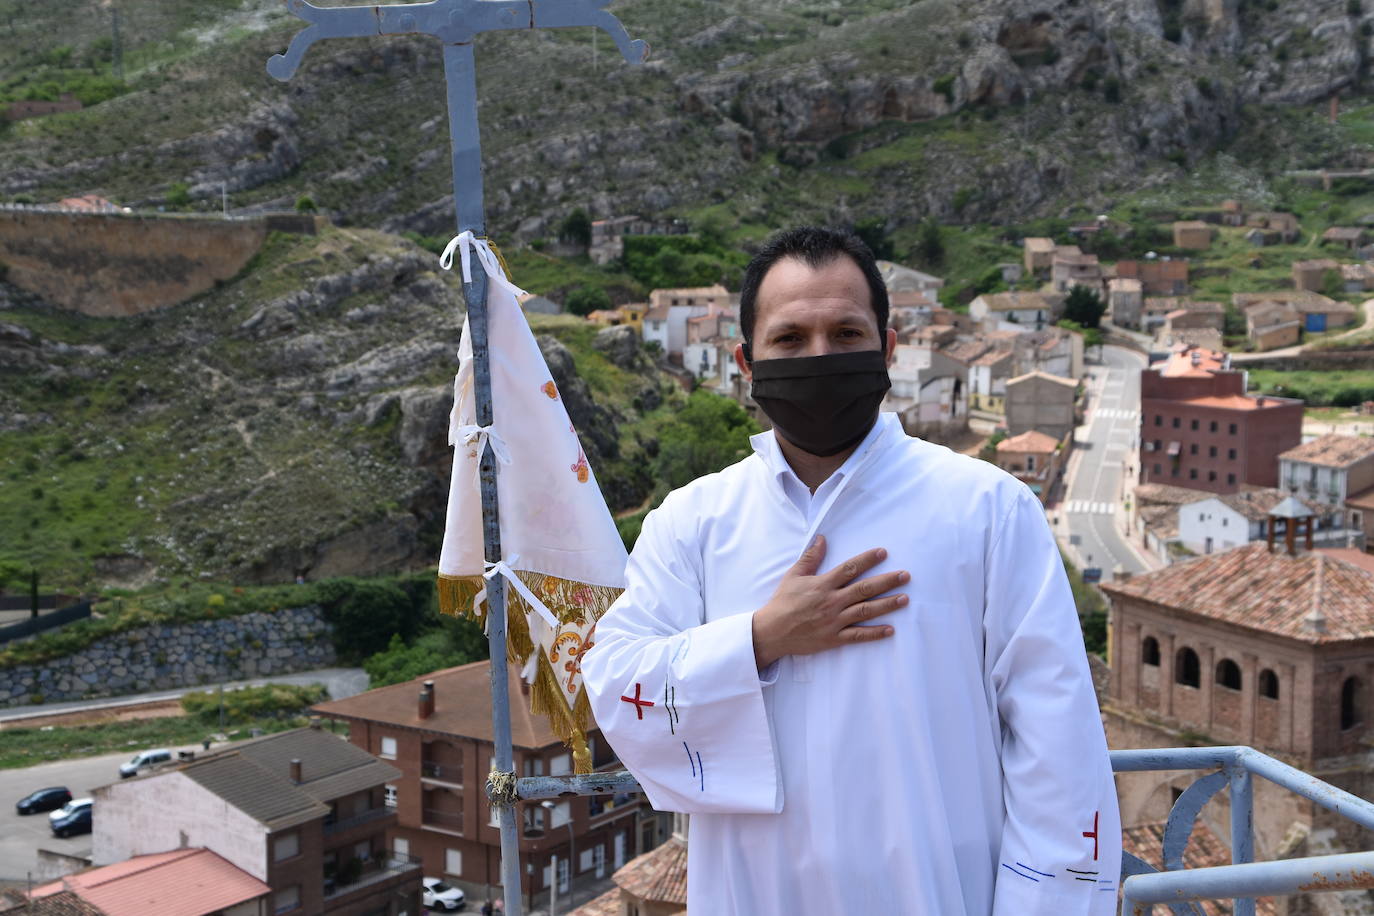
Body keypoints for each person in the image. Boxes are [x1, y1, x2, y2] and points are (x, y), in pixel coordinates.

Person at [580, 227, 1120, 915]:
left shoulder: (989, 511)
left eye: (845, 333)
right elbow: (613, 679)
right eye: (790, 339)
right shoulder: (693, 523)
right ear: (748, 361)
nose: (819, 355)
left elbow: (1057, 748)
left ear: (888, 349)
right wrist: (759, 639)